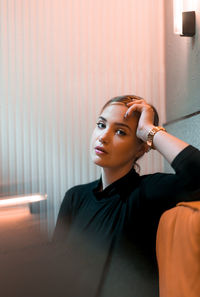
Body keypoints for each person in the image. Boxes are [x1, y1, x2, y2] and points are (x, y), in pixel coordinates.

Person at [53, 95, 200, 297]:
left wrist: (149, 131)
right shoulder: (75, 197)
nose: (103, 137)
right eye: (101, 125)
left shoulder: (147, 192)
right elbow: (56, 270)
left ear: (141, 146)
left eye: (120, 132)